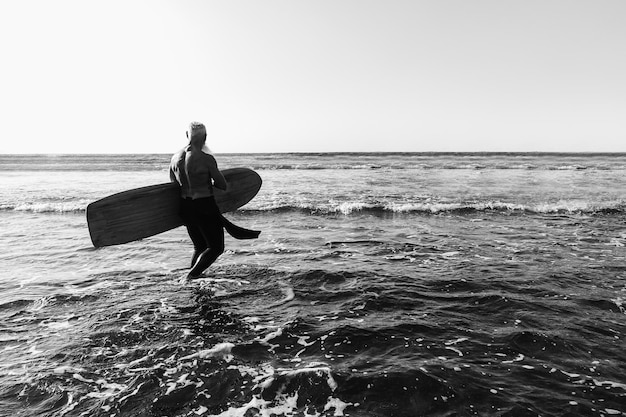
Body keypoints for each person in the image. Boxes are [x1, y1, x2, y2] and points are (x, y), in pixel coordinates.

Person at [170, 122, 259, 280]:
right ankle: (191, 276)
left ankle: (194, 276)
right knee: (216, 248)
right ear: (205, 137)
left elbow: (173, 184)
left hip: (185, 207)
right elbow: (222, 184)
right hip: (204, 207)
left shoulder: (175, 158)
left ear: (187, 136)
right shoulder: (206, 159)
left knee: (200, 246)